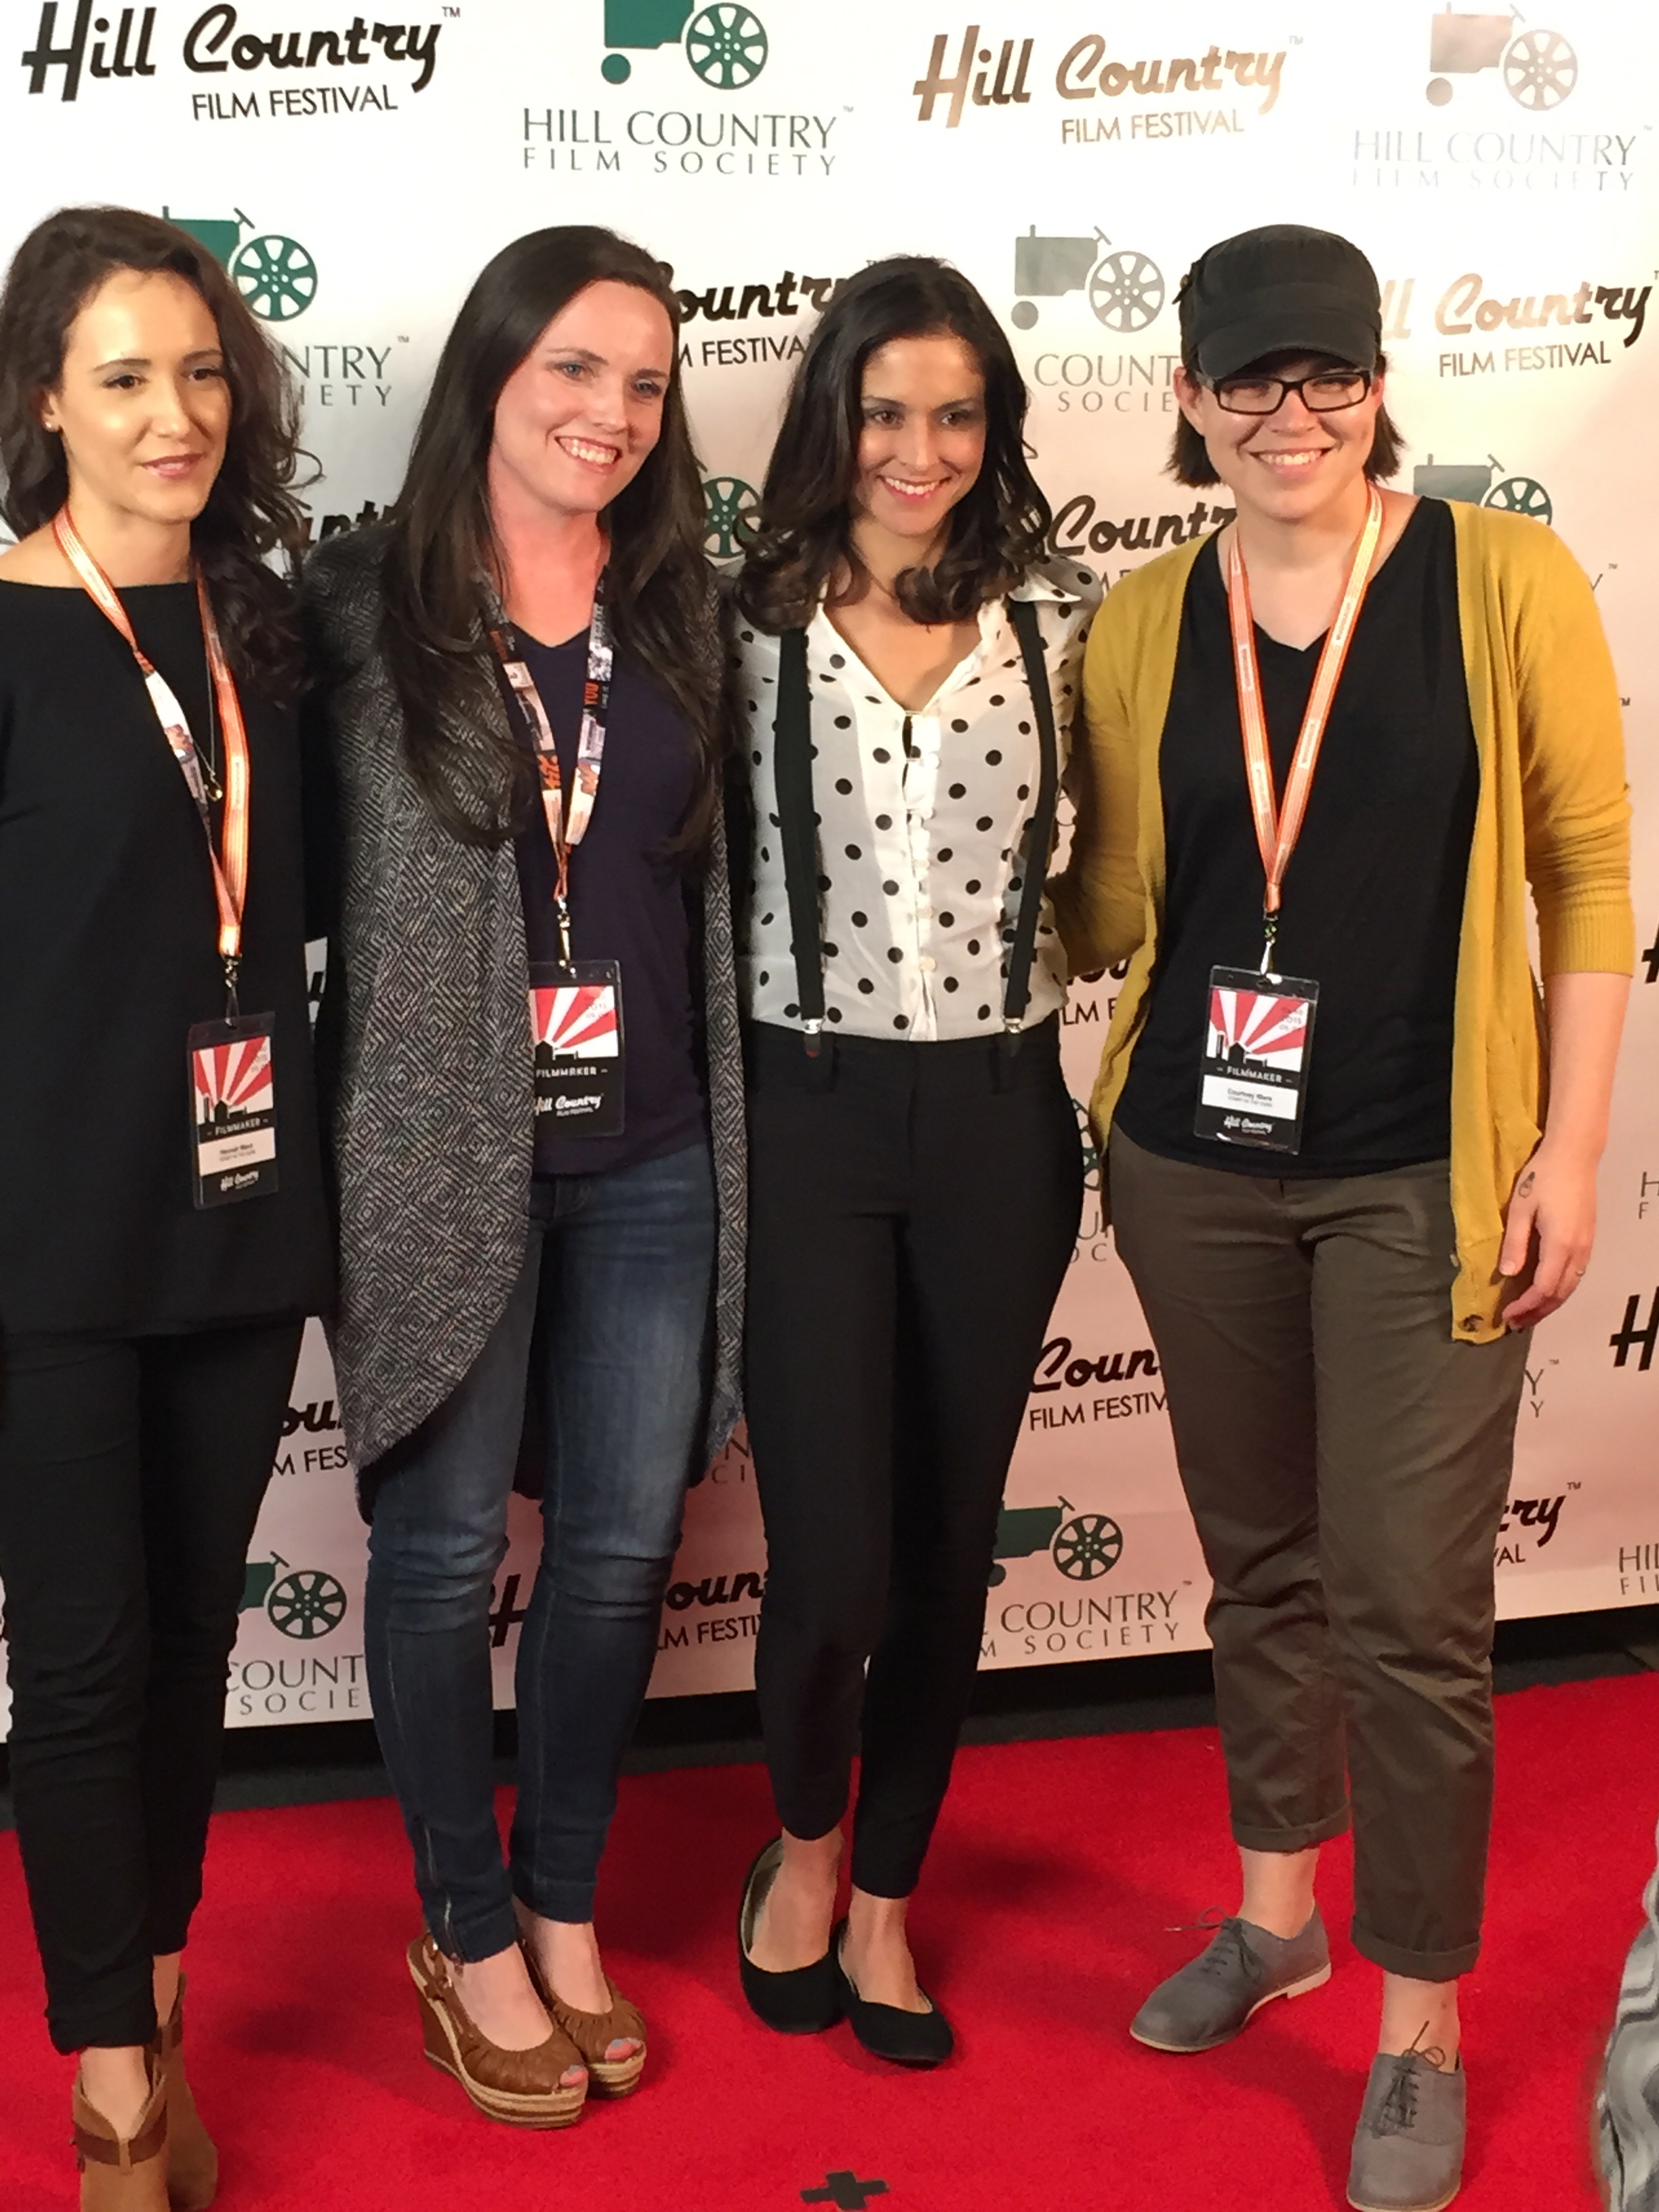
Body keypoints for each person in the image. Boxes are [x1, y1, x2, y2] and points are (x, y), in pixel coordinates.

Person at [1054, 224, 1632, 2210]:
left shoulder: (1503, 578)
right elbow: (1117, 904)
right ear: (1193, 401)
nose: (1291, 413)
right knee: (1262, 1567)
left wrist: (1568, 1153)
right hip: (1197, 1167)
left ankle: (1415, 2018)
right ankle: (1275, 1911)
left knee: (1411, 1609)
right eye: (1251, 379)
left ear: (1381, 387)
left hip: (1425, 1168)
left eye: (1330, 376)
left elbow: (1587, 873)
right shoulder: (1138, 619)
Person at [301, 224, 743, 2129]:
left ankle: (563, 1905)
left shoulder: (682, 612)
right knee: (437, 1549)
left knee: (625, 1552)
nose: (611, 414)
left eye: (644, 382)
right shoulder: (348, 615)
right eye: (573, 368)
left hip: (654, 1154)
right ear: (490, 369)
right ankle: (463, 1924)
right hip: (433, 1158)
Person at [0, 207, 332, 2207]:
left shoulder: (266, 632)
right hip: (44, 1246)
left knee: (200, 1645)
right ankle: (111, 2080)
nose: (174, 414)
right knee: (90, 1660)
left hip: (237, 1222)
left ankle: (163, 1990)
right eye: (124, 375)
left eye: (201, 370)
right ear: (46, 397)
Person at [730, 256, 1093, 2066]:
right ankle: (798, 1849)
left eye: (957, 415)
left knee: (951, 1542)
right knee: (836, 1562)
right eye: (888, 412)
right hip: (804, 1111)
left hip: (1000, 1120)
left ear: (995, 430)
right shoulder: (738, 622)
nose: (922, 449)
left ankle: (887, 1896)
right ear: (834, 420)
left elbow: (1134, 865)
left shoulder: (1060, 617)